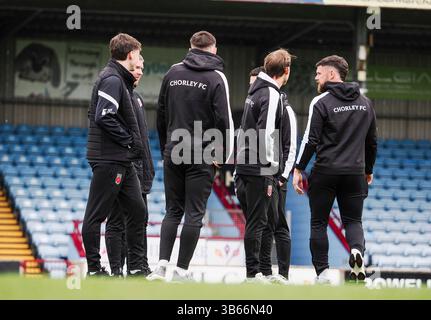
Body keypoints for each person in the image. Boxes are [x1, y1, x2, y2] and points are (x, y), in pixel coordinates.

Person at [147, 31, 234, 282]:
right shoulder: (217, 77)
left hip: (174, 150)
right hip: (203, 153)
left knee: (172, 211)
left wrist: (166, 147)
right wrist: (223, 154)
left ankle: (161, 267)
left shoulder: (173, 72)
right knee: (194, 214)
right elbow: (224, 120)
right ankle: (181, 271)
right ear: (214, 49)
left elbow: (161, 113)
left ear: (191, 46)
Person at [292, 55, 377, 283]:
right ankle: (356, 252)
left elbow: (310, 140)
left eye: (318, 73)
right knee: (353, 221)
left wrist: (298, 169)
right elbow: (372, 142)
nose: (316, 78)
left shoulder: (320, 102)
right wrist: (368, 169)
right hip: (355, 173)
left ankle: (322, 274)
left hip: (326, 172)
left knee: (318, 222)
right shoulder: (365, 102)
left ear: (332, 74)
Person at [82, 33, 147, 277]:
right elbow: (104, 115)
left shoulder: (120, 79)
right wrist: (129, 142)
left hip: (123, 159)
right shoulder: (111, 79)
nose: (139, 60)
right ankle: (95, 269)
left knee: (138, 211)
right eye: (138, 55)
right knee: (96, 215)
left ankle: (137, 267)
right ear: (130, 55)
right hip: (109, 159)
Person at [234, 49, 293, 283]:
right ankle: (252, 273)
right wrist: (271, 166)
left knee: (255, 222)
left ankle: (255, 271)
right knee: (258, 222)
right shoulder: (270, 93)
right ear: (286, 70)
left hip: (245, 164)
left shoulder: (254, 92)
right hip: (260, 167)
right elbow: (266, 132)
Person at [105, 55, 155, 277]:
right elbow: (107, 124)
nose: (140, 71)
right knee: (117, 220)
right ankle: (116, 271)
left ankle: (139, 266)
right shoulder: (118, 93)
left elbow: (142, 139)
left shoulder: (138, 98)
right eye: (136, 67)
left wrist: (148, 168)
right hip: (122, 167)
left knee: (140, 219)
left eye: (142, 68)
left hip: (140, 171)